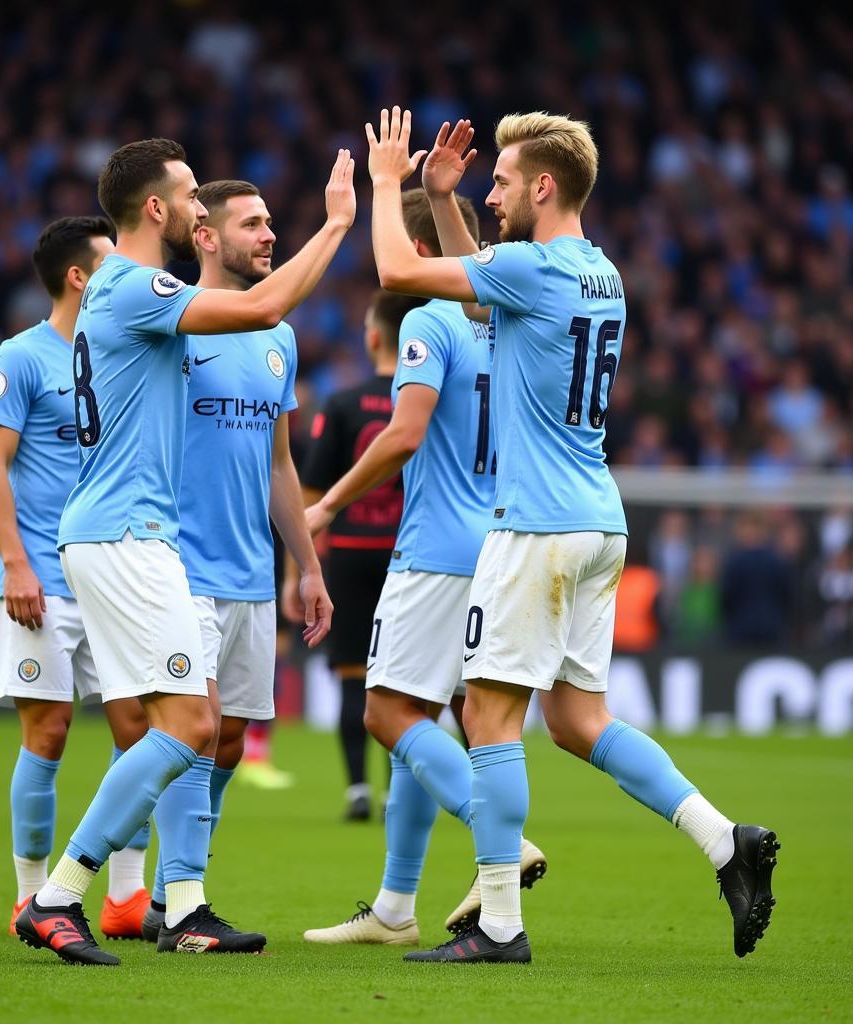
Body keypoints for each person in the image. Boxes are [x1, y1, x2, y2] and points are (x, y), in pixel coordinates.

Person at [364, 110, 778, 963]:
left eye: (504, 182)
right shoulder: (598, 273)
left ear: (543, 186)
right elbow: (484, 289)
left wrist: (384, 184)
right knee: (581, 721)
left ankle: (501, 928)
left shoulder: (531, 268)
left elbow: (398, 268)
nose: (492, 192)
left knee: (486, 715)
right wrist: (444, 201)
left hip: (537, 528)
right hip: (598, 520)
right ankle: (724, 841)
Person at [14, 138, 354, 966]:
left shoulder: (130, 295)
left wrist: (303, 562)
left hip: (133, 534)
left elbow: (262, 380)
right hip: (126, 534)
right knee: (185, 725)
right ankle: (60, 896)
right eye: (193, 194)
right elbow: (261, 307)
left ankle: (137, 900)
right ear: (158, 209)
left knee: (190, 727)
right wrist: (340, 222)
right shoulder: (133, 287)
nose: (201, 207)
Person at [302, 190, 546, 947]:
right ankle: (395, 908)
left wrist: (328, 506)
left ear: (414, 245)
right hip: (499, 542)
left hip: (434, 549)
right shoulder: (503, 326)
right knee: (427, 716)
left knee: (386, 713)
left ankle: (497, 840)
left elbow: (405, 435)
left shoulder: (428, 318)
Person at [139, 179, 332, 952]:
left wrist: (307, 566)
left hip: (252, 569)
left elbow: (280, 465)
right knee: (198, 727)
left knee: (231, 737)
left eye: (272, 222)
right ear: (207, 236)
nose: (269, 234)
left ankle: (166, 892)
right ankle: (186, 908)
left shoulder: (278, 339)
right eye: (252, 223)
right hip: (177, 563)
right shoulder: (173, 324)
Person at [0, 216, 154, 940]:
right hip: (41, 575)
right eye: (111, 262)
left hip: (112, 568)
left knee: (139, 729)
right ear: (79, 276)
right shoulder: (20, 357)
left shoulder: (121, 352)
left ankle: (125, 898)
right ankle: (30, 895)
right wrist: (16, 562)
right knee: (47, 730)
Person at [293, 291, 405, 820]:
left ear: (376, 336)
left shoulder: (341, 403)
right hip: (409, 554)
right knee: (406, 681)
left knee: (352, 676)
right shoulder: (424, 400)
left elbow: (311, 494)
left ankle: (358, 790)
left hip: (351, 553)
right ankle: (399, 793)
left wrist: (298, 569)